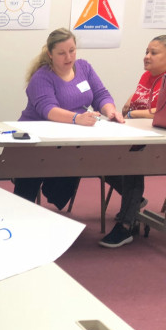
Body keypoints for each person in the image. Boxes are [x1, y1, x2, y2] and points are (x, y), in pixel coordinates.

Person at [13, 28, 124, 210]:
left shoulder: (84, 67)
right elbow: (47, 109)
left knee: (103, 158)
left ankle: (132, 201)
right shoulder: (41, 76)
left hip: (69, 139)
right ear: (50, 54)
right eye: (61, 53)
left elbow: (101, 95)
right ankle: (19, 213)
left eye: (72, 50)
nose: (68, 57)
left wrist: (110, 111)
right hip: (36, 140)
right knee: (32, 175)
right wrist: (77, 118)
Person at [99, 31, 166, 248]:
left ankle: (126, 225)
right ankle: (134, 202)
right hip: (141, 135)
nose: (146, 56)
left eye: (153, 53)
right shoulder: (147, 75)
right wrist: (130, 110)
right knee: (98, 157)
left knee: (132, 163)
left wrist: (134, 113)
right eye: (146, 51)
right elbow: (138, 106)